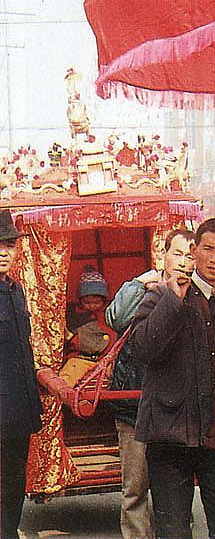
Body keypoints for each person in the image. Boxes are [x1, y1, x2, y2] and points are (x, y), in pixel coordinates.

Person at [130, 218, 215, 539]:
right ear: (194, 251)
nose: (214, 259)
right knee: (173, 530)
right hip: (170, 435)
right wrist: (173, 301)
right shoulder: (163, 295)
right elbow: (143, 348)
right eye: (207, 249)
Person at [105, 228, 195, 539]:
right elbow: (115, 319)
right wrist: (138, 284)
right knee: (135, 490)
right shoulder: (144, 289)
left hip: (178, 409)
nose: (183, 262)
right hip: (136, 406)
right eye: (177, 253)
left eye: (189, 256)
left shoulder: (195, 293)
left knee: (176, 493)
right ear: (163, 255)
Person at [0, 209, 42, 539]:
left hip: (18, 412)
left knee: (13, 482)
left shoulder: (15, 290)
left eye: (10, 245)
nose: (4, 252)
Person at [60, 265, 115, 386]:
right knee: (69, 373)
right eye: (87, 302)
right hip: (81, 358)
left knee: (117, 372)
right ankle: (64, 394)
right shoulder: (75, 316)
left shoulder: (108, 315)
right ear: (80, 301)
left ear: (104, 300)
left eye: (96, 302)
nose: (92, 306)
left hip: (105, 359)